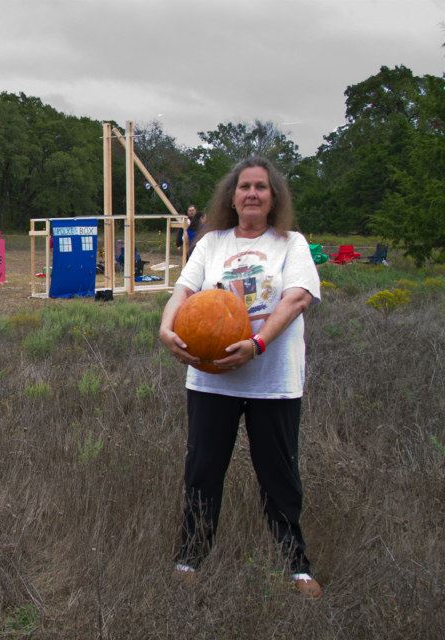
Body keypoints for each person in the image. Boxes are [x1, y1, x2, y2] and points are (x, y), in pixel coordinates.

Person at [158, 157, 323, 598]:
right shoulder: (211, 243)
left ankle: (296, 565)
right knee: (203, 471)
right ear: (231, 197)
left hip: (272, 379)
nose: (252, 193)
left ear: (274, 199)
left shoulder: (291, 243)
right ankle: (190, 556)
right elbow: (183, 290)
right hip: (212, 380)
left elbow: (297, 299)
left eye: (261, 188)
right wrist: (165, 327)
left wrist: (258, 344)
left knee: (278, 474)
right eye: (244, 186)